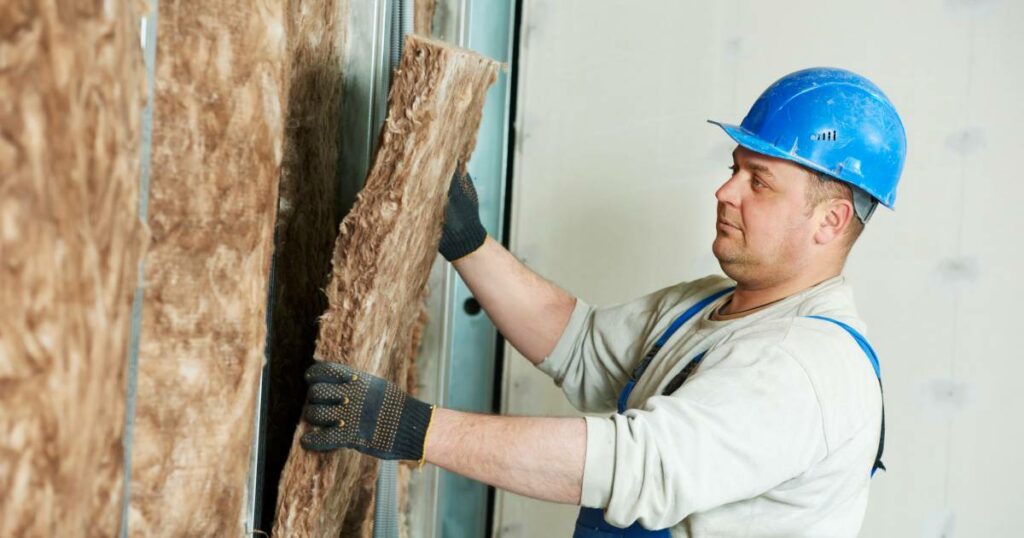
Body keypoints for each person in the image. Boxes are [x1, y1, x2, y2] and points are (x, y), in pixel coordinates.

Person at [299, 67, 907, 537]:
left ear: (829, 221)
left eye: (760, 182)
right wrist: (468, 245)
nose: (724, 191)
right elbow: (583, 344)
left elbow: (635, 465)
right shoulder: (714, 306)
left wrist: (412, 429)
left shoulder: (805, 368)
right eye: (734, 168)